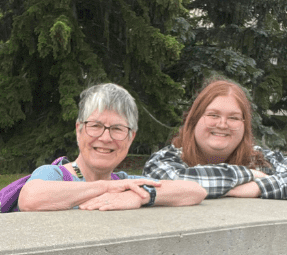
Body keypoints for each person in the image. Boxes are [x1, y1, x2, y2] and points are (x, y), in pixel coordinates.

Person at [17, 83, 207, 211]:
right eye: (96, 126)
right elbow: (31, 198)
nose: (105, 137)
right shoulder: (54, 174)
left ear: (131, 137)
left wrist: (141, 197)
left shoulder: (125, 183)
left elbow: (194, 191)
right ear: (79, 130)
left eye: (117, 128)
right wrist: (107, 187)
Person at [142, 80, 287, 200]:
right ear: (194, 121)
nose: (222, 124)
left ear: (244, 126)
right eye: (213, 115)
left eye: (233, 118)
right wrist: (250, 174)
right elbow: (175, 182)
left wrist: (257, 187)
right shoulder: (165, 159)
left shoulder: (258, 157)